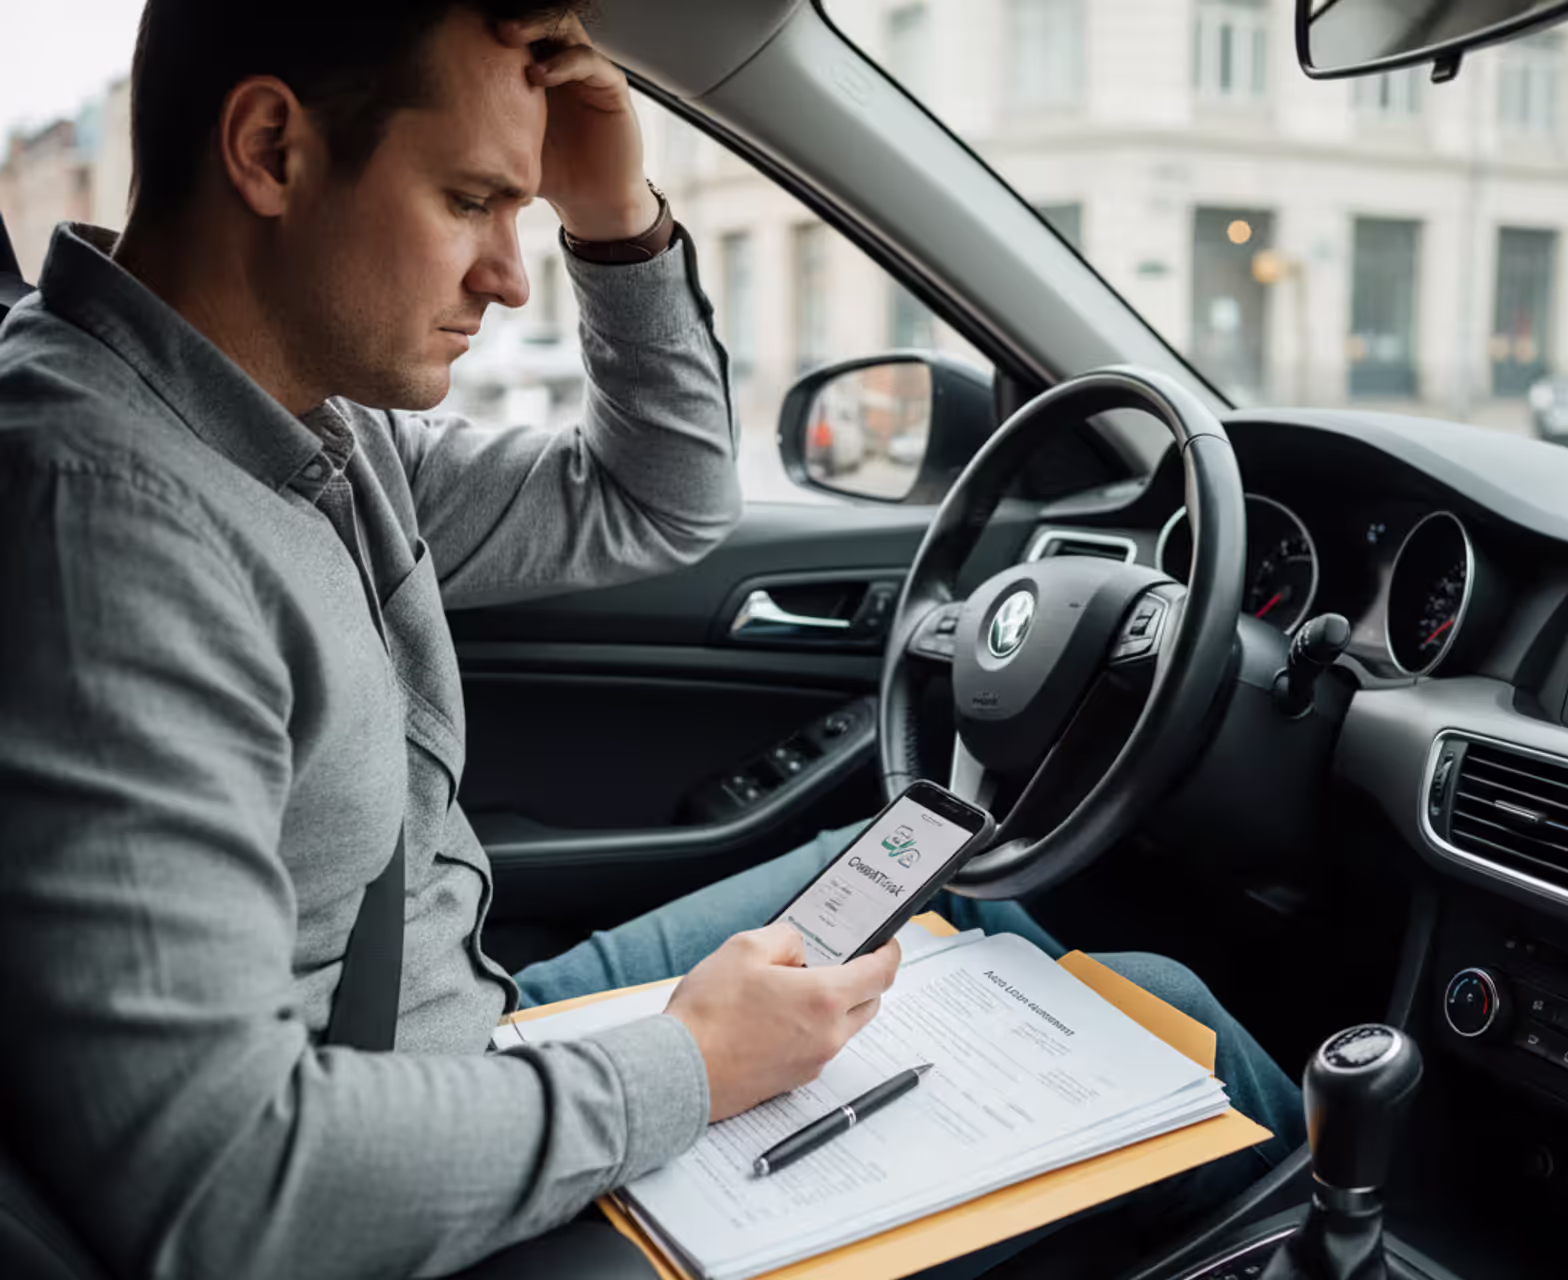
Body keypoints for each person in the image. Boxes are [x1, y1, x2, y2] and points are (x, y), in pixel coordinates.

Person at [0, 2, 1303, 1277]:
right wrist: (691, 1068)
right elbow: (227, 1193)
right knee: (1170, 1031)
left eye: (522, 214)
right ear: (273, 150)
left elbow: (663, 497)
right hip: (374, 1168)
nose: (512, 276)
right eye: (471, 202)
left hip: (460, 1040)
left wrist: (613, 218)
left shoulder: (306, 425)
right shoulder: (102, 522)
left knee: (950, 887)